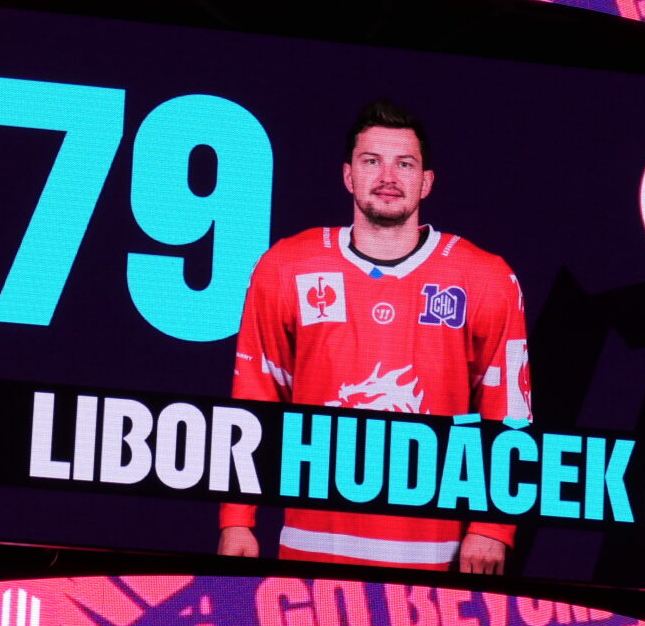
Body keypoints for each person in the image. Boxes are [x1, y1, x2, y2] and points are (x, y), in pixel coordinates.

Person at [218, 100, 531, 573]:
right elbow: (255, 401)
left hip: (434, 557)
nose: (388, 177)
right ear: (348, 175)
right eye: (371, 161)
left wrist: (492, 528)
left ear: (426, 181)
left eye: (404, 164)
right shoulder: (287, 265)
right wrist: (237, 520)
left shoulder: (485, 277)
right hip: (309, 551)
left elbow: (508, 412)